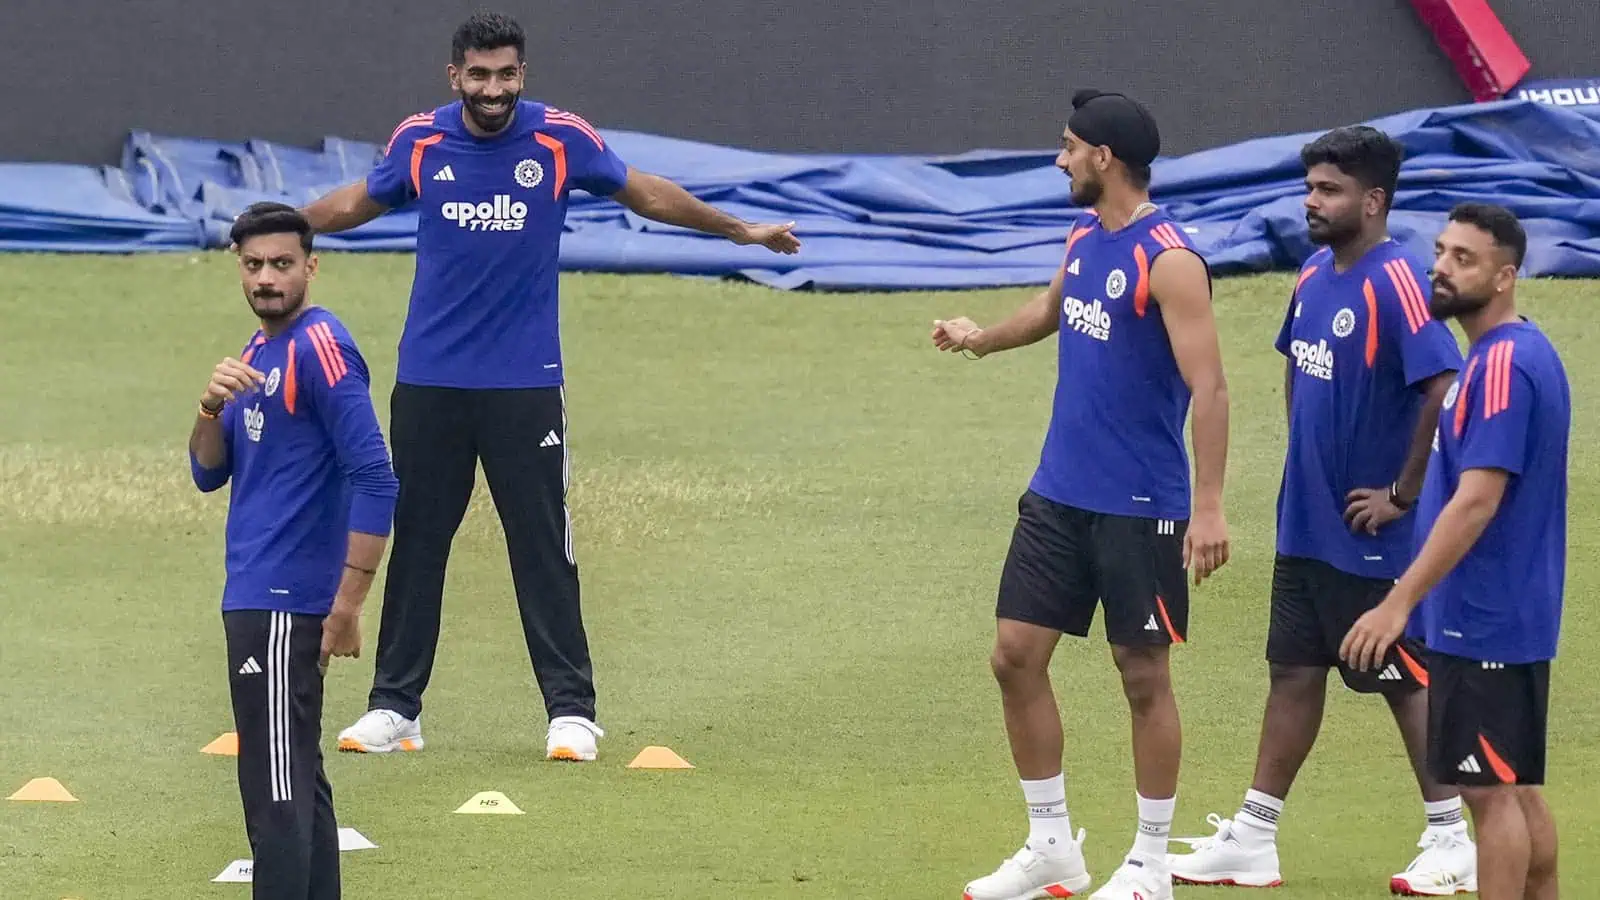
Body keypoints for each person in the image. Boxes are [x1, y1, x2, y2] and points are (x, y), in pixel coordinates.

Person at [296, 11, 801, 762]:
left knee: (541, 546)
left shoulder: (561, 138)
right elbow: (353, 204)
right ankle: (396, 708)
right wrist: (278, 225)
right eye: (478, 75)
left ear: (522, 75)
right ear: (454, 76)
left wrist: (738, 232)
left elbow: (647, 195)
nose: (492, 89)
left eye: (505, 75)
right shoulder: (422, 140)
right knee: (420, 545)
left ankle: (571, 711)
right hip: (429, 382)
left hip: (524, 385)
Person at [931, 89, 1230, 900]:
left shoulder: (1169, 261)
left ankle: (1150, 862)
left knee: (1142, 677)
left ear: (1104, 157)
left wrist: (1207, 507)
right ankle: (1051, 847)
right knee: (1014, 657)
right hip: (1059, 495)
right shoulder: (1087, 238)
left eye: (1068, 146)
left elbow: (1210, 388)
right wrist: (981, 340)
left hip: (1142, 508)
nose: (1059, 158)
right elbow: (1057, 307)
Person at [1166, 125, 1477, 894]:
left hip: (1373, 538)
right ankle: (1256, 835)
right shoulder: (1311, 273)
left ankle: (1452, 837)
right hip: (1306, 525)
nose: (1311, 201)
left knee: (1404, 678)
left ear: (1372, 202)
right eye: (1310, 187)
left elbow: (1443, 385)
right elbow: (1298, 370)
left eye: (1328, 190)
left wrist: (1402, 494)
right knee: (1295, 671)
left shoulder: (1399, 278)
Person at [1343, 203, 1566, 900]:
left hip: (1485, 617)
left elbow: (1477, 500)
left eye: (1462, 259)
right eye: (1440, 251)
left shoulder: (1501, 366)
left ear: (1504, 277)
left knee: (1489, 796)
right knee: (1514, 786)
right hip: (1500, 616)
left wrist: (1397, 602)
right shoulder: (1512, 354)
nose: (1440, 267)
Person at [190, 202, 398, 899]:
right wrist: (209, 408)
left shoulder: (321, 347)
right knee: (296, 780)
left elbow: (376, 475)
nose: (267, 278)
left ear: (312, 266)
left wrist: (349, 604)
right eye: (254, 266)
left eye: (282, 264)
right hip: (254, 596)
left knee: (274, 796)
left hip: (285, 604)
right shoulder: (254, 355)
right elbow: (208, 472)